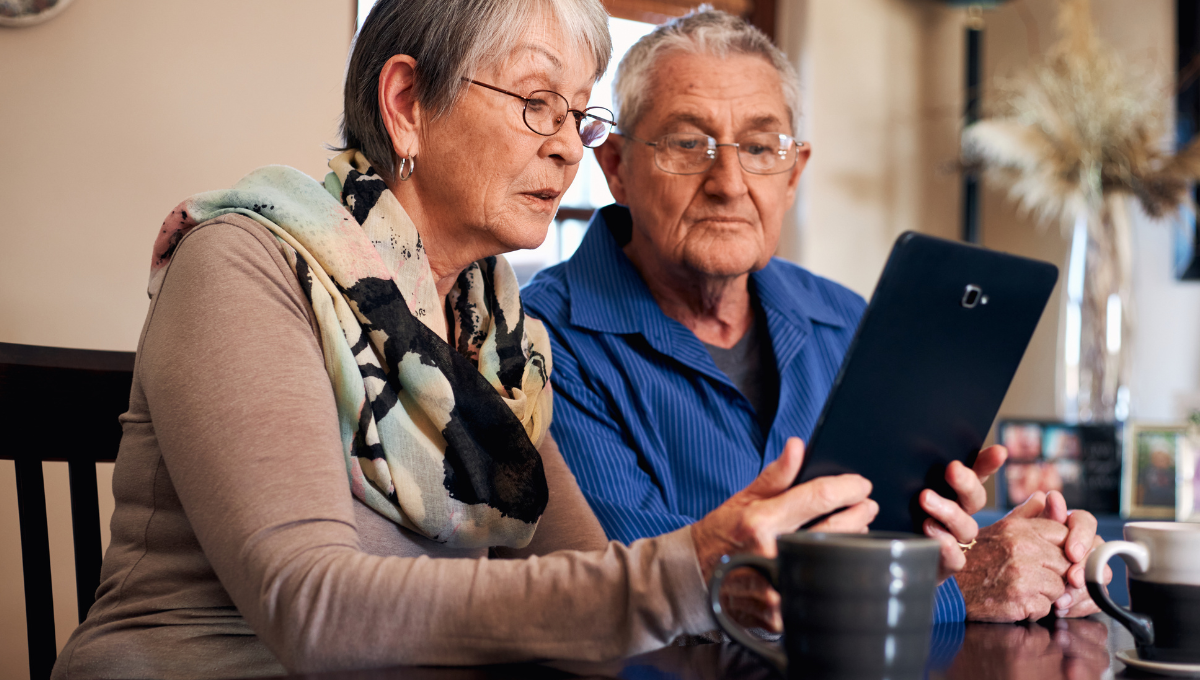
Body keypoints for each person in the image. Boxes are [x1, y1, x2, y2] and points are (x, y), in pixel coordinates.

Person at [50, 2, 897, 677]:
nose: (568, 147)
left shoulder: (499, 336)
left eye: (576, 113)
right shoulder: (245, 264)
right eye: (536, 104)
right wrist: (689, 569)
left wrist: (742, 582)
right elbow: (309, 610)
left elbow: (600, 608)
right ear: (407, 104)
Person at [523, 9, 1108, 626]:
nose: (728, 182)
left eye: (759, 147)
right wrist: (956, 587)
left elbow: (905, 533)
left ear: (794, 172)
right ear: (616, 166)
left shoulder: (844, 319)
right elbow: (646, 589)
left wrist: (1019, 554)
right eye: (688, 144)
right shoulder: (537, 342)